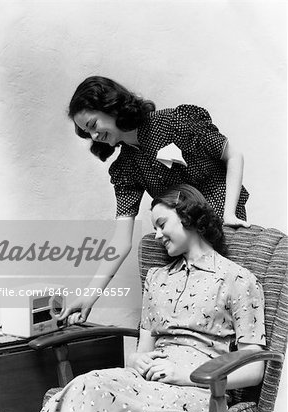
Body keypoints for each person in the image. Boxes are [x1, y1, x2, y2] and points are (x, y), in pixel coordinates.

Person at [29, 185, 265, 412]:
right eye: (155, 228)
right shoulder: (157, 279)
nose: (157, 235)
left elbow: (254, 369)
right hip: (147, 384)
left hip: (200, 390)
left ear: (188, 215)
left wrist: (184, 374)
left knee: (89, 387)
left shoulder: (238, 279)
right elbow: (140, 353)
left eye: (162, 224)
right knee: (86, 384)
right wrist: (138, 361)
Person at [61, 76, 250, 324]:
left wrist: (229, 214)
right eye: (88, 132)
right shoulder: (126, 166)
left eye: (93, 124)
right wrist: (90, 295)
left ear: (110, 106)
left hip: (219, 227)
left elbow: (233, 155)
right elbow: (120, 240)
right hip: (181, 239)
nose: (94, 135)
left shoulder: (174, 122)